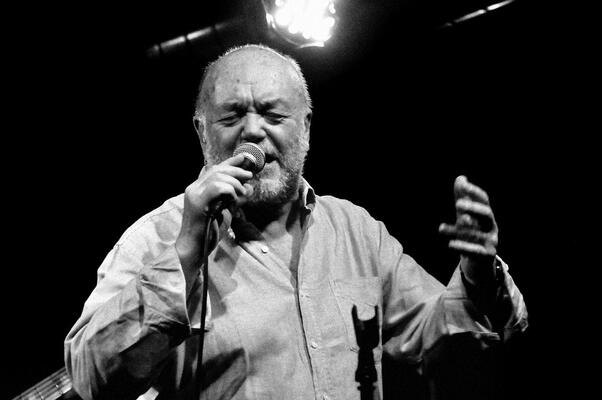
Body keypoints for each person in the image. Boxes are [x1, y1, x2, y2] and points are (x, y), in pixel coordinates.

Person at [64, 44, 528, 400]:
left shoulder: (355, 230)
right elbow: (90, 379)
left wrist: (478, 279)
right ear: (202, 132)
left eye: (272, 114)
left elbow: (441, 345)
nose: (252, 130)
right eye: (232, 115)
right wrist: (185, 253)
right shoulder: (156, 237)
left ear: (304, 128)